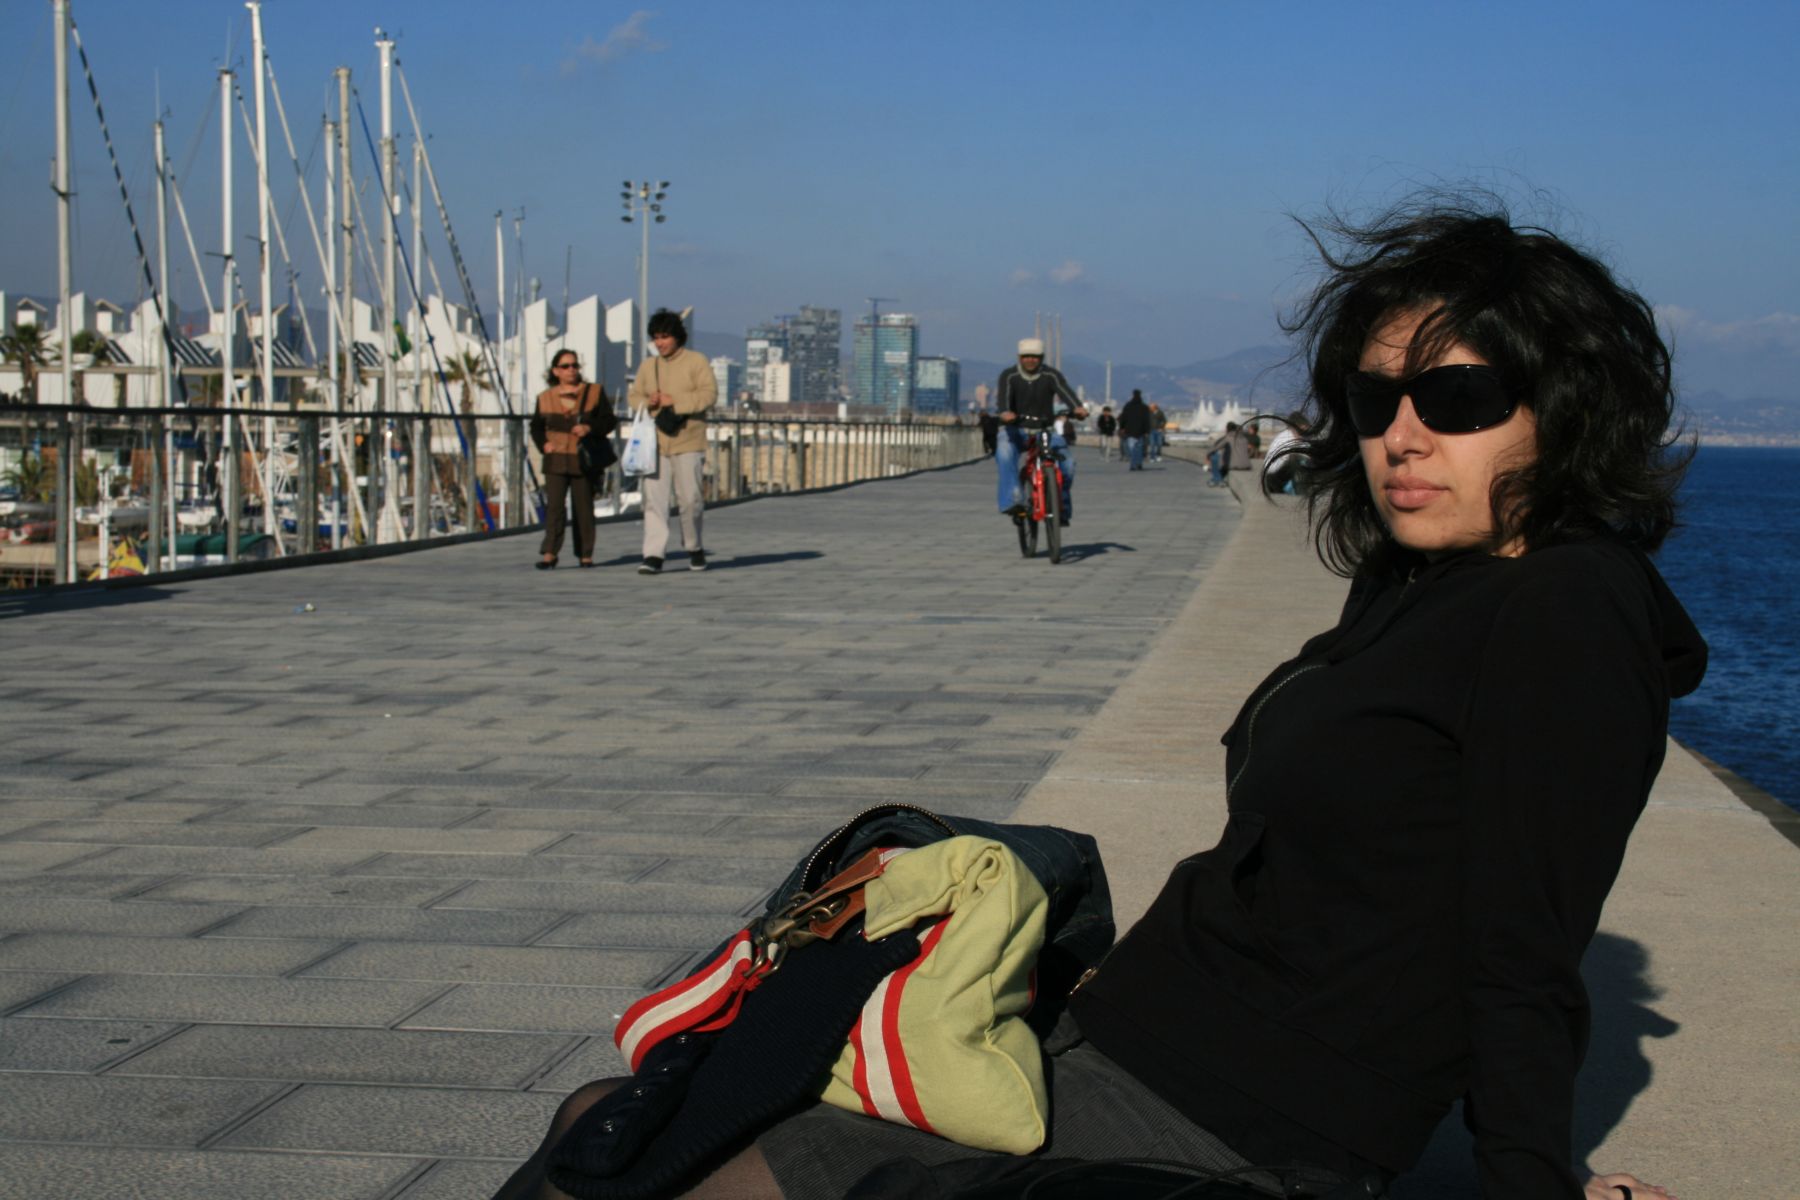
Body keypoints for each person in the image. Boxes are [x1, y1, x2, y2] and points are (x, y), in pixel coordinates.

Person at [492, 200, 1699, 1200]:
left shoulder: (1570, 610)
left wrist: (1533, 1179)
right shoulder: (1420, 581)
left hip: (1231, 1123)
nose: (1403, 436)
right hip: (1108, 1041)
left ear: (1564, 407)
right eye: (1378, 400)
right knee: (610, 1113)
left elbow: (1525, 947)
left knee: (657, 1168)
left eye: (1459, 399)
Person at [628, 309, 717, 574]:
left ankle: (694, 546)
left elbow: (709, 395)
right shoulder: (648, 366)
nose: (660, 343)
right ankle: (653, 554)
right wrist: (648, 402)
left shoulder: (696, 361)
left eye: (665, 337)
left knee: (690, 499)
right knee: (654, 501)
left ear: (677, 336)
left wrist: (675, 402)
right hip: (654, 443)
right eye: (656, 337)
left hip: (688, 440)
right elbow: (634, 396)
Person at [529, 350, 613, 568]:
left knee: (583, 507)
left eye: (575, 365)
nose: (571, 370)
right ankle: (550, 553)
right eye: (565, 366)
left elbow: (608, 421)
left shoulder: (594, 392)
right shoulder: (545, 397)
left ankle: (585, 554)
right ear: (556, 371)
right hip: (555, 458)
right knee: (555, 507)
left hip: (583, 458)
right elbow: (536, 427)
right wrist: (543, 444)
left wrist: (589, 428)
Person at [992, 337, 1086, 522]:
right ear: (1019, 357)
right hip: (1015, 429)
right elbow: (1003, 399)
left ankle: (1061, 508)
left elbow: (1066, 392)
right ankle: (1013, 501)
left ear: (1041, 358)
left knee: (1068, 464)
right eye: (1026, 356)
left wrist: (1077, 408)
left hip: (1045, 430)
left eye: (1035, 356)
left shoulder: (1051, 375)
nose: (1030, 360)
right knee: (1004, 452)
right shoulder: (1009, 375)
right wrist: (1005, 413)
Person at [1262, 412, 1311, 495]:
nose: (1304, 433)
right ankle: (1300, 492)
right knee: (1295, 458)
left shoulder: (1302, 440)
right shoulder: (1285, 437)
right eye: (1302, 429)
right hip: (1274, 477)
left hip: (1286, 475)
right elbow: (1288, 458)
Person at [1207, 420, 1249, 486]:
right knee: (1225, 457)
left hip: (1234, 465)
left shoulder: (1228, 438)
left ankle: (1216, 479)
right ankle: (1218, 479)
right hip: (1246, 464)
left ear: (1227, 429)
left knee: (1215, 457)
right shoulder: (1244, 438)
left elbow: (1216, 448)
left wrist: (1208, 454)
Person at [1118, 388, 1151, 470]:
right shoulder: (1144, 407)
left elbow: (1123, 418)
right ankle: (1139, 463)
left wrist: (1122, 427)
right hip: (1140, 431)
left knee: (1132, 449)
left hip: (1130, 431)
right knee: (1139, 449)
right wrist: (1147, 430)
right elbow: (1147, 420)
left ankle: (1133, 465)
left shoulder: (1128, 406)